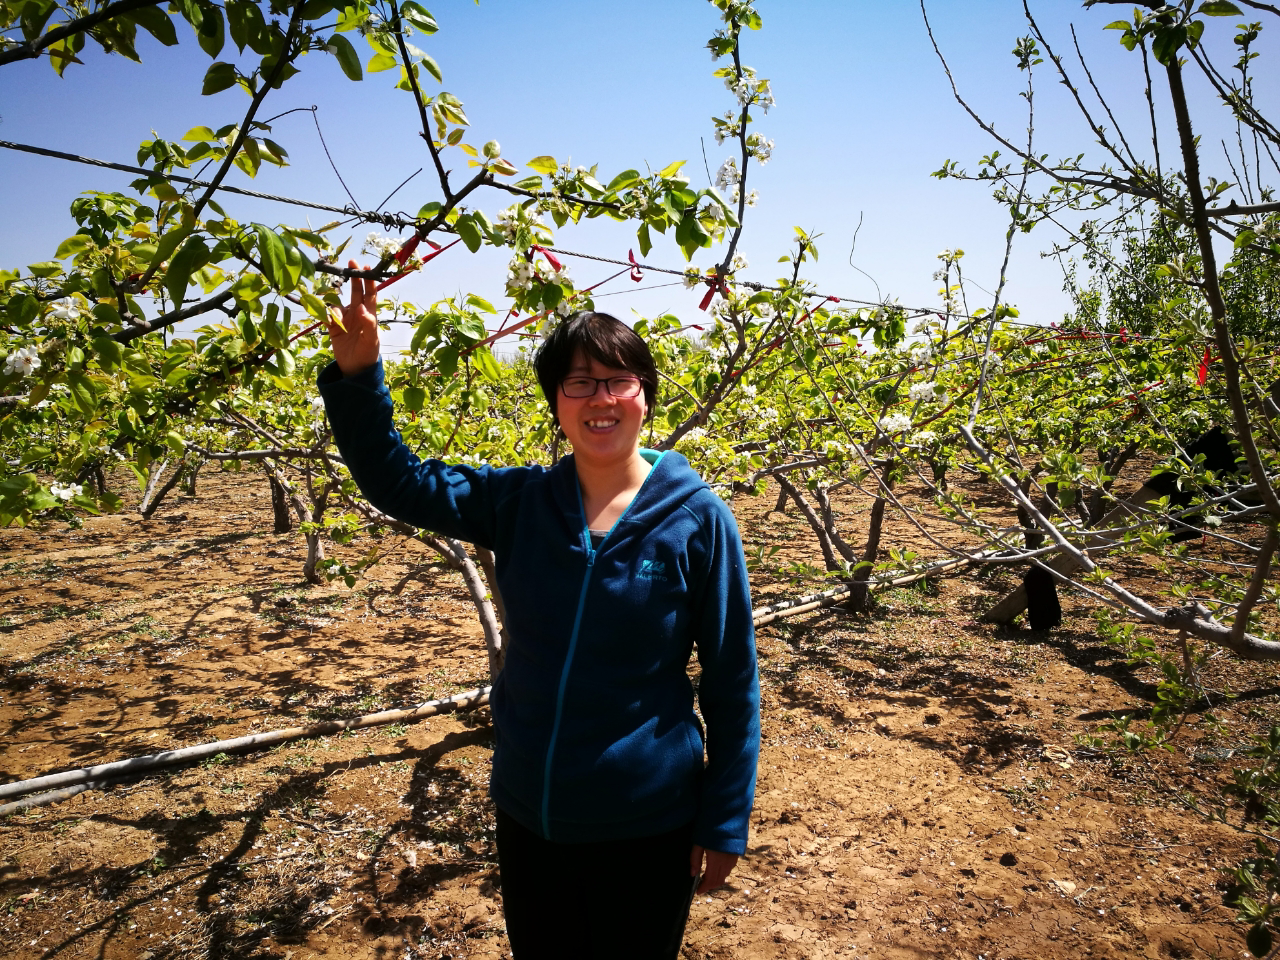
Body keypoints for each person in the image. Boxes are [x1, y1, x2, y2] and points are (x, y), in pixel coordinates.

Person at [319, 262, 760, 959]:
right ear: (556, 401)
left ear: (645, 395)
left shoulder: (699, 520)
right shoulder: (518, 501)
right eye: (578, 382)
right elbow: (395, 480)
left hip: (648, 820)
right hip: (532, 812)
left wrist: (725, 819)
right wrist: (360, 375)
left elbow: (733, 679)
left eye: (618, 379)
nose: (600, 397)